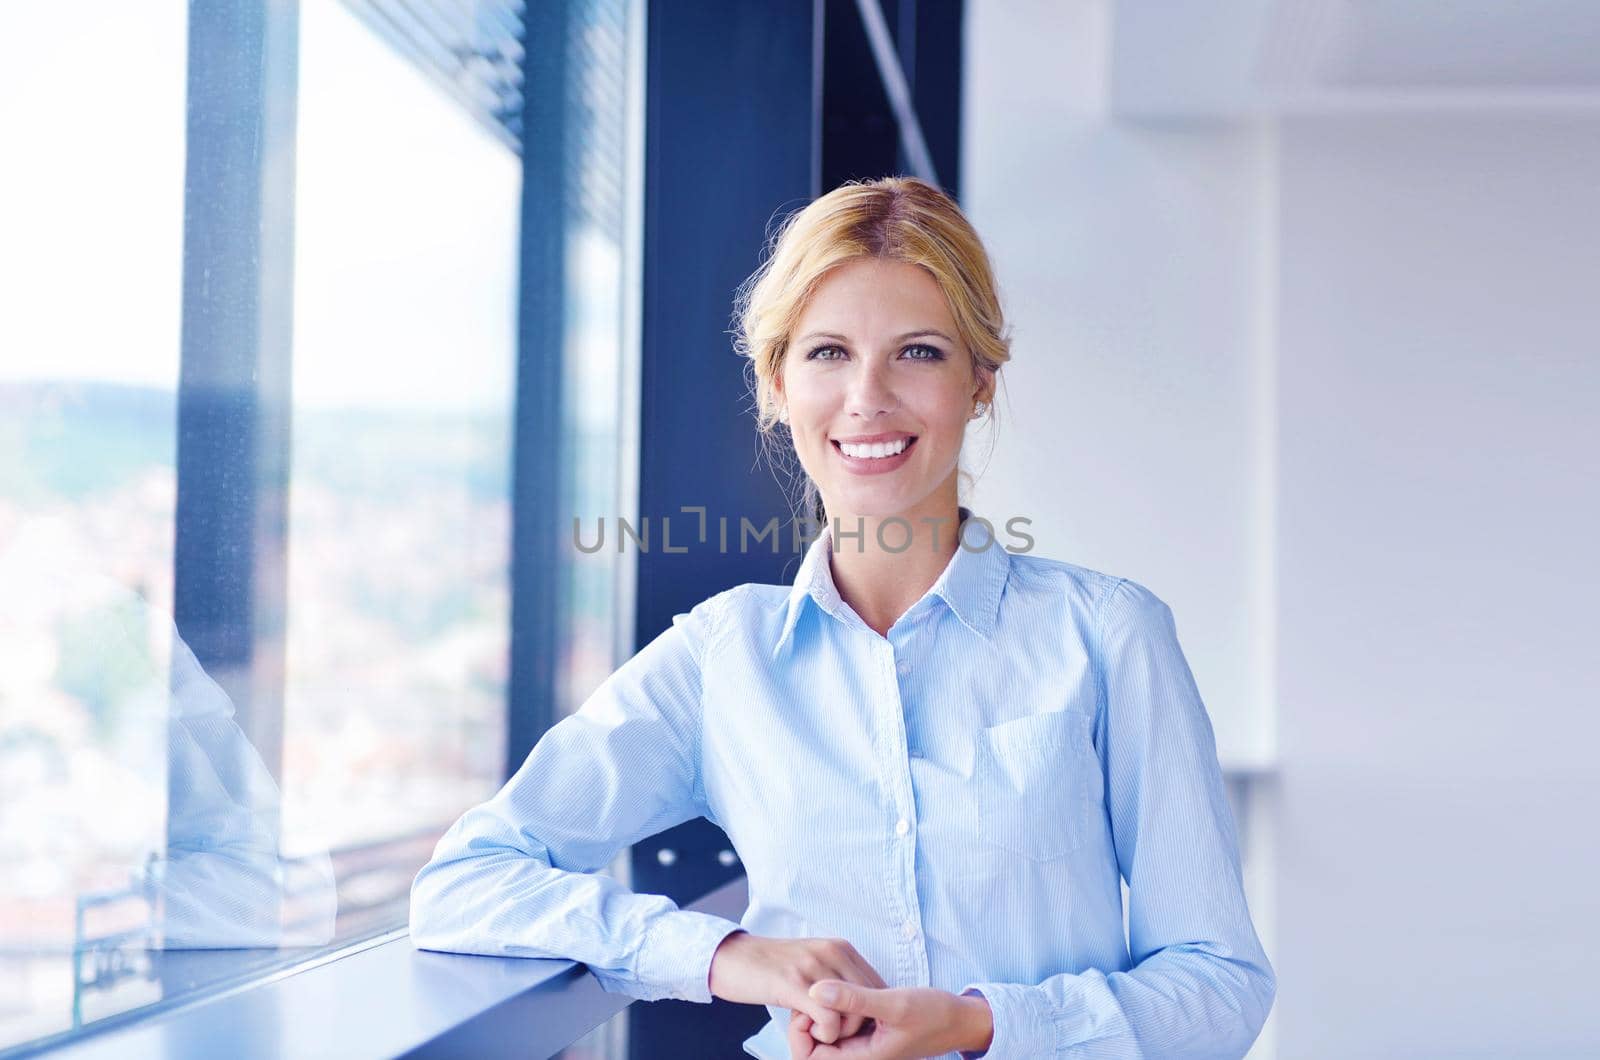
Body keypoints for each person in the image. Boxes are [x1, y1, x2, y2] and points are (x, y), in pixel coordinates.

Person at [409, 176, 1276, 1059]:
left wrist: (979, 1023)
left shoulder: (1109, 636)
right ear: (777, 383)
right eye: (828, 353)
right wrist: (728, 957)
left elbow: (1219, 984)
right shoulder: (723, 658)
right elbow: (468, 881)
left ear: (979, 382)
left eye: (920, 353)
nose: (868, 397)